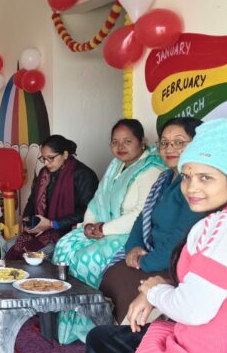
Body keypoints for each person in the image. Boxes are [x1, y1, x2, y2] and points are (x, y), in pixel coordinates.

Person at [69, 116, 227, 353]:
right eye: (189, 175)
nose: (192, 187)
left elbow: (192, 309)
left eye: (206, 178)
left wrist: (151, 290)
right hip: (196, 345)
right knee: (103, 338)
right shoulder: (221, 220)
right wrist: (157, 283)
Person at [100, 117, 204, 323]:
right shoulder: (165, 179)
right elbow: (142, 217)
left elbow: (181, 236)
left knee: (125, 281)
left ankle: (135, 341)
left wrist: (146, 261)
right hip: (151, 254)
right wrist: (134, 247)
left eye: (179, 142)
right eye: (164, 143)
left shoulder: (197, 185)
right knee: (115, 273)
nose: (169, 148)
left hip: (174, 262)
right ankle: (117, 336)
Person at [53, 119, 165, 288]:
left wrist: (103, 229)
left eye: (128, 141)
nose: (120, 147)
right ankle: (63, 309)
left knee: (86, 259)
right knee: (64, 246)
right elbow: (97, 200)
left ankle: (88, 312)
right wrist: (89, 224)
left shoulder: (151, 169)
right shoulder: (116, 166)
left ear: (142, 142)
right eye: (115, 142)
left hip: (129, 234)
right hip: (103, 228)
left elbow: (141, 213)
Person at [6, 135, 98, 261]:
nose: (46, 163)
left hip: (66, 232)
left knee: (32, 256)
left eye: (50, 158)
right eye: (43, 158)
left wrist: (52, 224)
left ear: (65, 154)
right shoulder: (45, 173)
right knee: (8, 245)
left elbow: (86, 212)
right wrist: (27, 218)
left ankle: (27, 280)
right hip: (42, 229)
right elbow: (33, 199)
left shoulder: (84, 175)